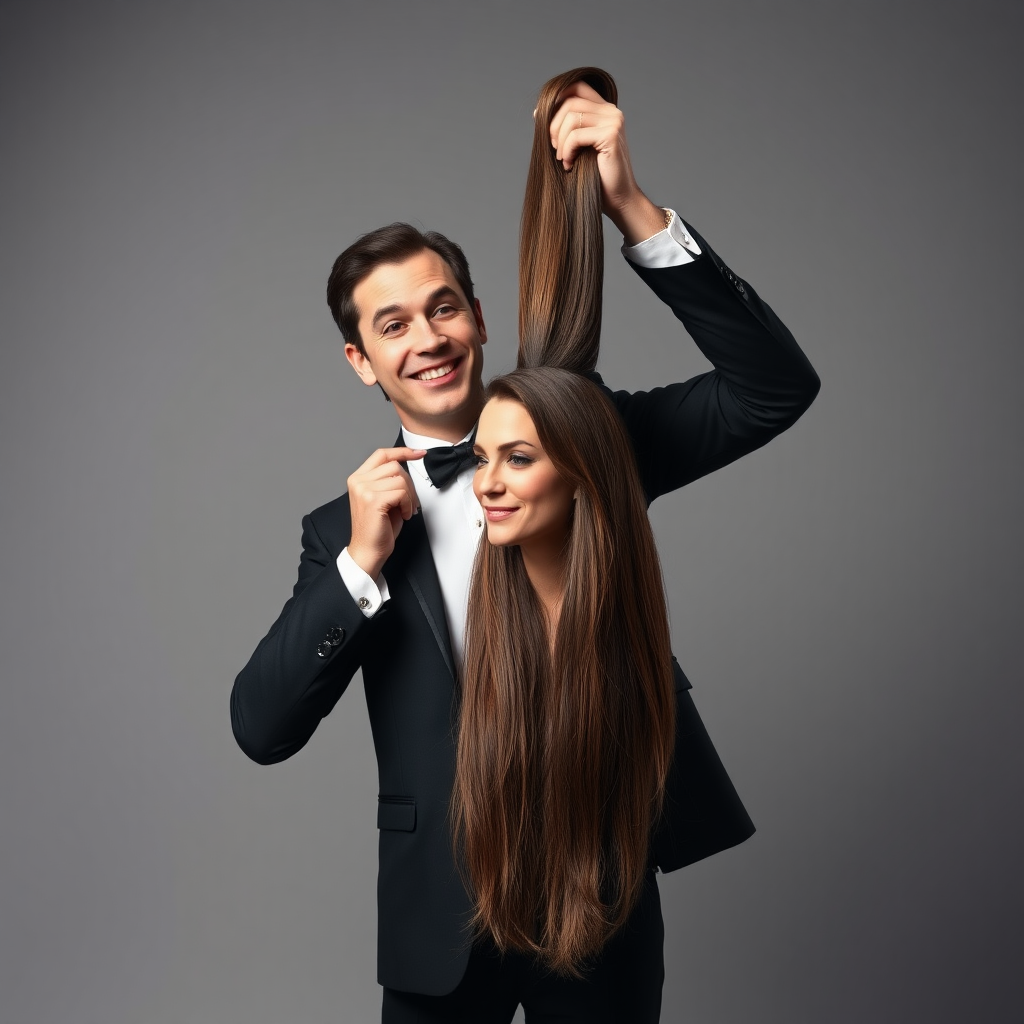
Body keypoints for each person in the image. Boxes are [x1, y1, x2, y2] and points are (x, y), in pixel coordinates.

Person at [230, 67, 819, 1022]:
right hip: (440, 919)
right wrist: (357, 568)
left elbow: (773, 390)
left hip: (599, 887)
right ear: (361, 361)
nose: (427, 336)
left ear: (478, 315)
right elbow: (260, 729)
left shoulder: (586, 439)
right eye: (393, 325)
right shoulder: (343, 533)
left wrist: (632, 209)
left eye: (444, 306)